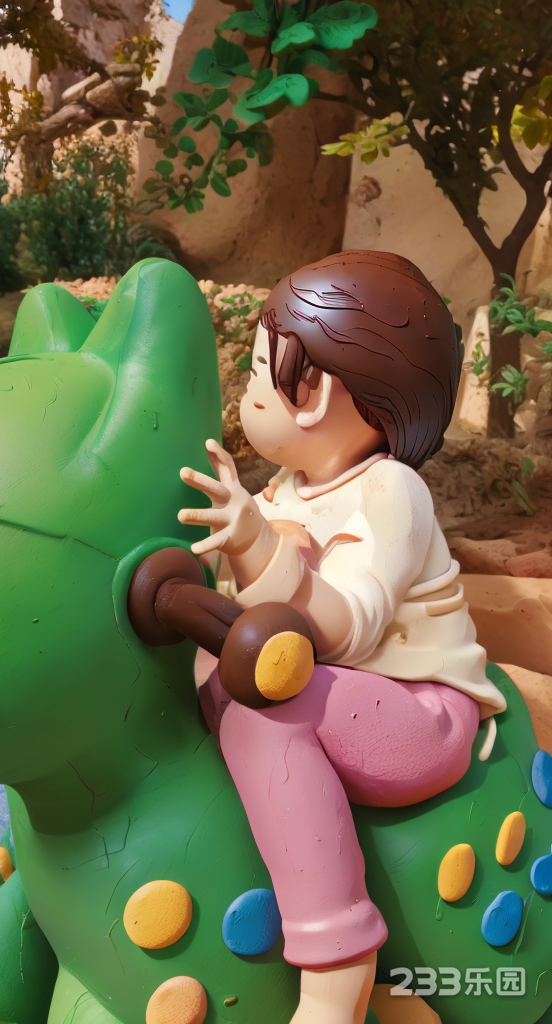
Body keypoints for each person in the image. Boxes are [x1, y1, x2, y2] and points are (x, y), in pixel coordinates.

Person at [178, 250, 506, 1024]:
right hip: (343, 699)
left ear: (317, 393)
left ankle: (338, 969)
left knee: (266, 711)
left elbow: (347, 631)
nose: (247, 391)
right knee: (220, 680)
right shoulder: (287, 489)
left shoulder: (391, 491)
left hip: (418, 711)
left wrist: (258, 547)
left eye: (259, 372)